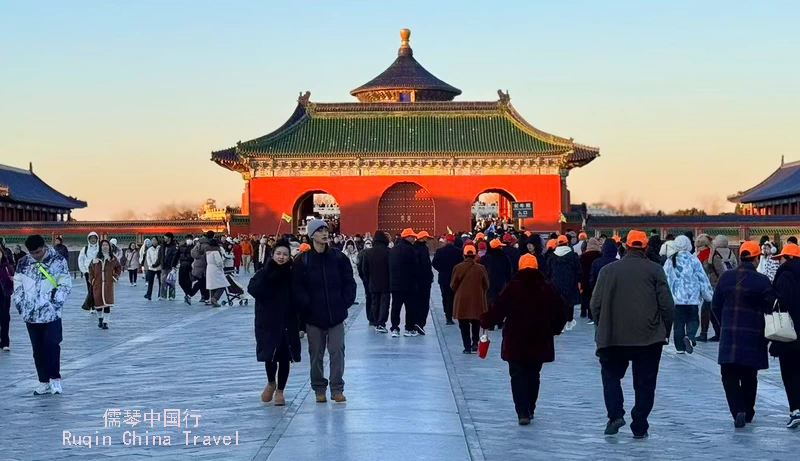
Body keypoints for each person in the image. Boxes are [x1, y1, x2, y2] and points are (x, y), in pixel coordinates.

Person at [590, 230, 674, 438]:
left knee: (610, 376)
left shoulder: (608, 271)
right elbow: (667, 305)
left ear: (625, 246)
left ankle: (615, 414)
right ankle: (640, 423)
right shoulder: (655, 270)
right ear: (645, 247)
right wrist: (665, 330)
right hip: (648, 337)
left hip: (613, 336)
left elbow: (595, 304)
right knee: (645, 383)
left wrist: (602, 327)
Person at [480, 254, 567, 425]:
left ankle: (522, 411)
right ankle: (531, 407)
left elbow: (497, 310)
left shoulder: (512, 287)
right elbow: (561, 311)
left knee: (517, 375)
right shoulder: (547, 287)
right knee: (534, 374)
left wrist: (485, 320)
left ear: (519, 267)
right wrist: (554, 330)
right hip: (540, 339)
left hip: (515, 340)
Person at [292, 219, 356, 403]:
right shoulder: (303, 260)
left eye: (326, 230)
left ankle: (337, 388)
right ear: (311, 235)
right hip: (313, 317)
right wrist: (307, 307)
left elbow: (349, 282)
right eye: (319, 231)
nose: (324, 233)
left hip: (336, 315)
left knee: (337, 351)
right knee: (316, 353)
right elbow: (298, 288)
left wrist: (345, 303)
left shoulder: (338, 258)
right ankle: (319, 388)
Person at [712, 241, 775, 428]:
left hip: (730, 335)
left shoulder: (725, 278)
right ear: (756, 258)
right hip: (753, 335)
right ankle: (748, 411)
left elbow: (715, 305)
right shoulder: (762, 281)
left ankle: (737, 409)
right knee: (749, 376)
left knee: (729, 375)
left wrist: (724, 324)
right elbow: (771, 307)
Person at [13, 234, 71, 395]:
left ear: (44, 247)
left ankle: (55, 379)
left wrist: (54, 303)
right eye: (32, 253)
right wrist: (21, 305)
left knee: (52, 345)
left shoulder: (58, 261)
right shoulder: (23, 263)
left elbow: (65, 284)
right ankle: (43, 381)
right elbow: (17, 286)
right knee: (37, 349)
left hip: (51, 313)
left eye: (38, 252)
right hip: (31, 314)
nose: (35, 255)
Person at [248, 239, 302, 406]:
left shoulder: (293, 274)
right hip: (268, 321)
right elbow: (253, 290)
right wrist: (266, 276)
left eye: (285, 254)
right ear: (272, 255)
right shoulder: (263, 273)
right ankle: (271, 382)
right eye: (278, 253)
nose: (281, 257)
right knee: (270, 356)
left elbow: (300, 296)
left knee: (285, 358)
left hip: (287, 321)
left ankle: (280, 391)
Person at [663, 235, 713, 354]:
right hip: (692, 298)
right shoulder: (693, 259)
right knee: (693, 320)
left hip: (676, 298)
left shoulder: (670, 260)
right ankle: (690, 337)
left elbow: (664, 278)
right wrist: (708, 295)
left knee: (678, 324)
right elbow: (702, 278)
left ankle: (680, 347)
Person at [769, 242, 800, 429]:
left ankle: (796, 410)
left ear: (787, 258)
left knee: (790, 373)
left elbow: (783, 301)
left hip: (789, 333)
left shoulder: (785, 275)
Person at [699, 235, 738, 342]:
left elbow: (710, 269)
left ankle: (707, 333)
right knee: (720, 310)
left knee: (708, 310)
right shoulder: (731, 253)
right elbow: (735, 265)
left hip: (714, 285)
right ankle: (721, 333)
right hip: (728, 284)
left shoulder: (714, 253)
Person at [452, 244, 489, 353]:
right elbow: (486, 284)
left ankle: (467, 347)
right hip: (477, 299)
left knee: (463, 324)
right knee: (476, 322)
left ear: (463, 255)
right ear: (475, 255)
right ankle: (475, 343)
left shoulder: (457, 267)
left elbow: (453, 285)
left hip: (462, 300)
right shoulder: (481, 268)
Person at [389, 228, 419, 338]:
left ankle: (395, 328)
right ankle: (409, 329)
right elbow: (415, 267)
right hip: (409, 284)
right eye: (413, 236)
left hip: (395, 284)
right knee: (410, 307)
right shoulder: (412, 250)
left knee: (396, 307)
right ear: (407, 237)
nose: (414, 238)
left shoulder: (393, 250)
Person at [548, 235, 581, 331]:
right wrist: (579, 282)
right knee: (569, 303)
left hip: (555, 283)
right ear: (567, 243)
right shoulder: (573, 256)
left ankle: (558, 323)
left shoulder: (551, 257)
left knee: (557, 304)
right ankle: (568, 321)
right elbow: (578, 271)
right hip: (570, 283)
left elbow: (548, 272)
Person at [88, 240, 122, 330]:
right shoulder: (96, 258)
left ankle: (106, 322)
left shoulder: (112, 258)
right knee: (98, 304)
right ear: (100, 247)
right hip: (97, 284)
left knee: (107, 304)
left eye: (107, 245)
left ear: (109, 247)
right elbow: (90, 269)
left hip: (108, 284)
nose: (105, 247)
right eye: (103, 245)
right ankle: (100, 319)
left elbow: (119, 268)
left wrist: (114, 277)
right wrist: (92, 279)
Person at [362, 231, 391, 332]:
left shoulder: (368, 252)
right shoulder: (389, 251)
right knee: (384, 303)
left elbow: (364, 269)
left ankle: (374, 321)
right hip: (386, 282)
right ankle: (381, 323)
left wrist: (367, 280)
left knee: (374, 302)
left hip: (373, 281)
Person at [480, 239, 513, 329]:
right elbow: (509, 271)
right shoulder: (504, 257)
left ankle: (490, 323)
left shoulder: (484, 258)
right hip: (501, 283)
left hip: (488, 284)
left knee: (489, 304)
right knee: (500, 303)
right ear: (498, 247)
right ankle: (499, 322)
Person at [433, 234, 463, 325]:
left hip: (443, 277)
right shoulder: (458, 252)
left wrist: (441, 270)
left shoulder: (439, 251)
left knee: (444, 296)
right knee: (452, 296)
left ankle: (447, 314)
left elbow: (434, 263)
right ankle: (451, 314)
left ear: (446, 241)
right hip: (455, 277)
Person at [413, 231, 434, 335]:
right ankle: (420, 323)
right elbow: (426, 266)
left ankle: (413, 322)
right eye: (426, 238)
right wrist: (430, 277)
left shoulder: (412, 248)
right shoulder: (423, 250)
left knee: (414, 302)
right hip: (424, 281)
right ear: (423, 239)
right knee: (424, 303)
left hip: (414, 280)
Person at [579, 238, 602, 323]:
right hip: (595, 279)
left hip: (585, 280)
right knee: (594, 296)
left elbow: (579, 269)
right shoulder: (600, 255)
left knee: (585, 297)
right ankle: (592, 314)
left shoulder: (583, 256)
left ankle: (583, 312)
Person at [77, 232, 100, 311]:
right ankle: (91, 306)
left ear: (97, 239)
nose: (93, 240)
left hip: (98, 271)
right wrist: (83, 270)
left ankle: (97, 304)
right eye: (91, 238)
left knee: (97, 289)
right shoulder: (85, 249)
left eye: (94, 238)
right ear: (89, 239)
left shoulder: (100, 248)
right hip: (88, 272)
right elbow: (80, 259)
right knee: (90, 289)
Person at [190, 231, 213, 304]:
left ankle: (204, 297)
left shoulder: (198, 243)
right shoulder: (207, 245)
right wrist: (202, 257)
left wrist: (199, 257)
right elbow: (208, 257)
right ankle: (190, 294)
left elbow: (193, 253)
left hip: (198, 264)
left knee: (202, 282)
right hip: (203, 266)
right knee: (203, 282)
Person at [205, 238, 229, 307]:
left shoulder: (208, 252)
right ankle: (215, 298)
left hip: (209, 269)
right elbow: (219, 262)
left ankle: (212, 299)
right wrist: (222, 267)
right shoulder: (215, 252)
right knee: (222, 285)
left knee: (212, 286)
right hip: (216, 269)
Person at [0, 245, 14, 351]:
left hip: (4, 296)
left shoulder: (6, 267)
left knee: (5, 318)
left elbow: (13, 279)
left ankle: (5, 342)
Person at [158, 233, 179, 301]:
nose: (164, 239)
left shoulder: (174, 246)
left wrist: (174, 265)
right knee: (163, 281)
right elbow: (160, 255)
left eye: (165, 237)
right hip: (164, 267)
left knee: (171, 281)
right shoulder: (162, 246)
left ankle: (171, 296)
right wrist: (158, 263)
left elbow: (175, 257)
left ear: (169, 238)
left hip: (171, 266)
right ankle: (163, 295)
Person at [177, 235, 195, 305]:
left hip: (191, 267)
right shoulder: (181, 247)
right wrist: (173, 265)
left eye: (190, 239)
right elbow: (176, 256)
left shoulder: (194, 248)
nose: (189, 240)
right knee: (181, 282)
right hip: (182, 266)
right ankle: (187, 294)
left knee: (188, 282)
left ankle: (187, 295)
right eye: (188, 239)